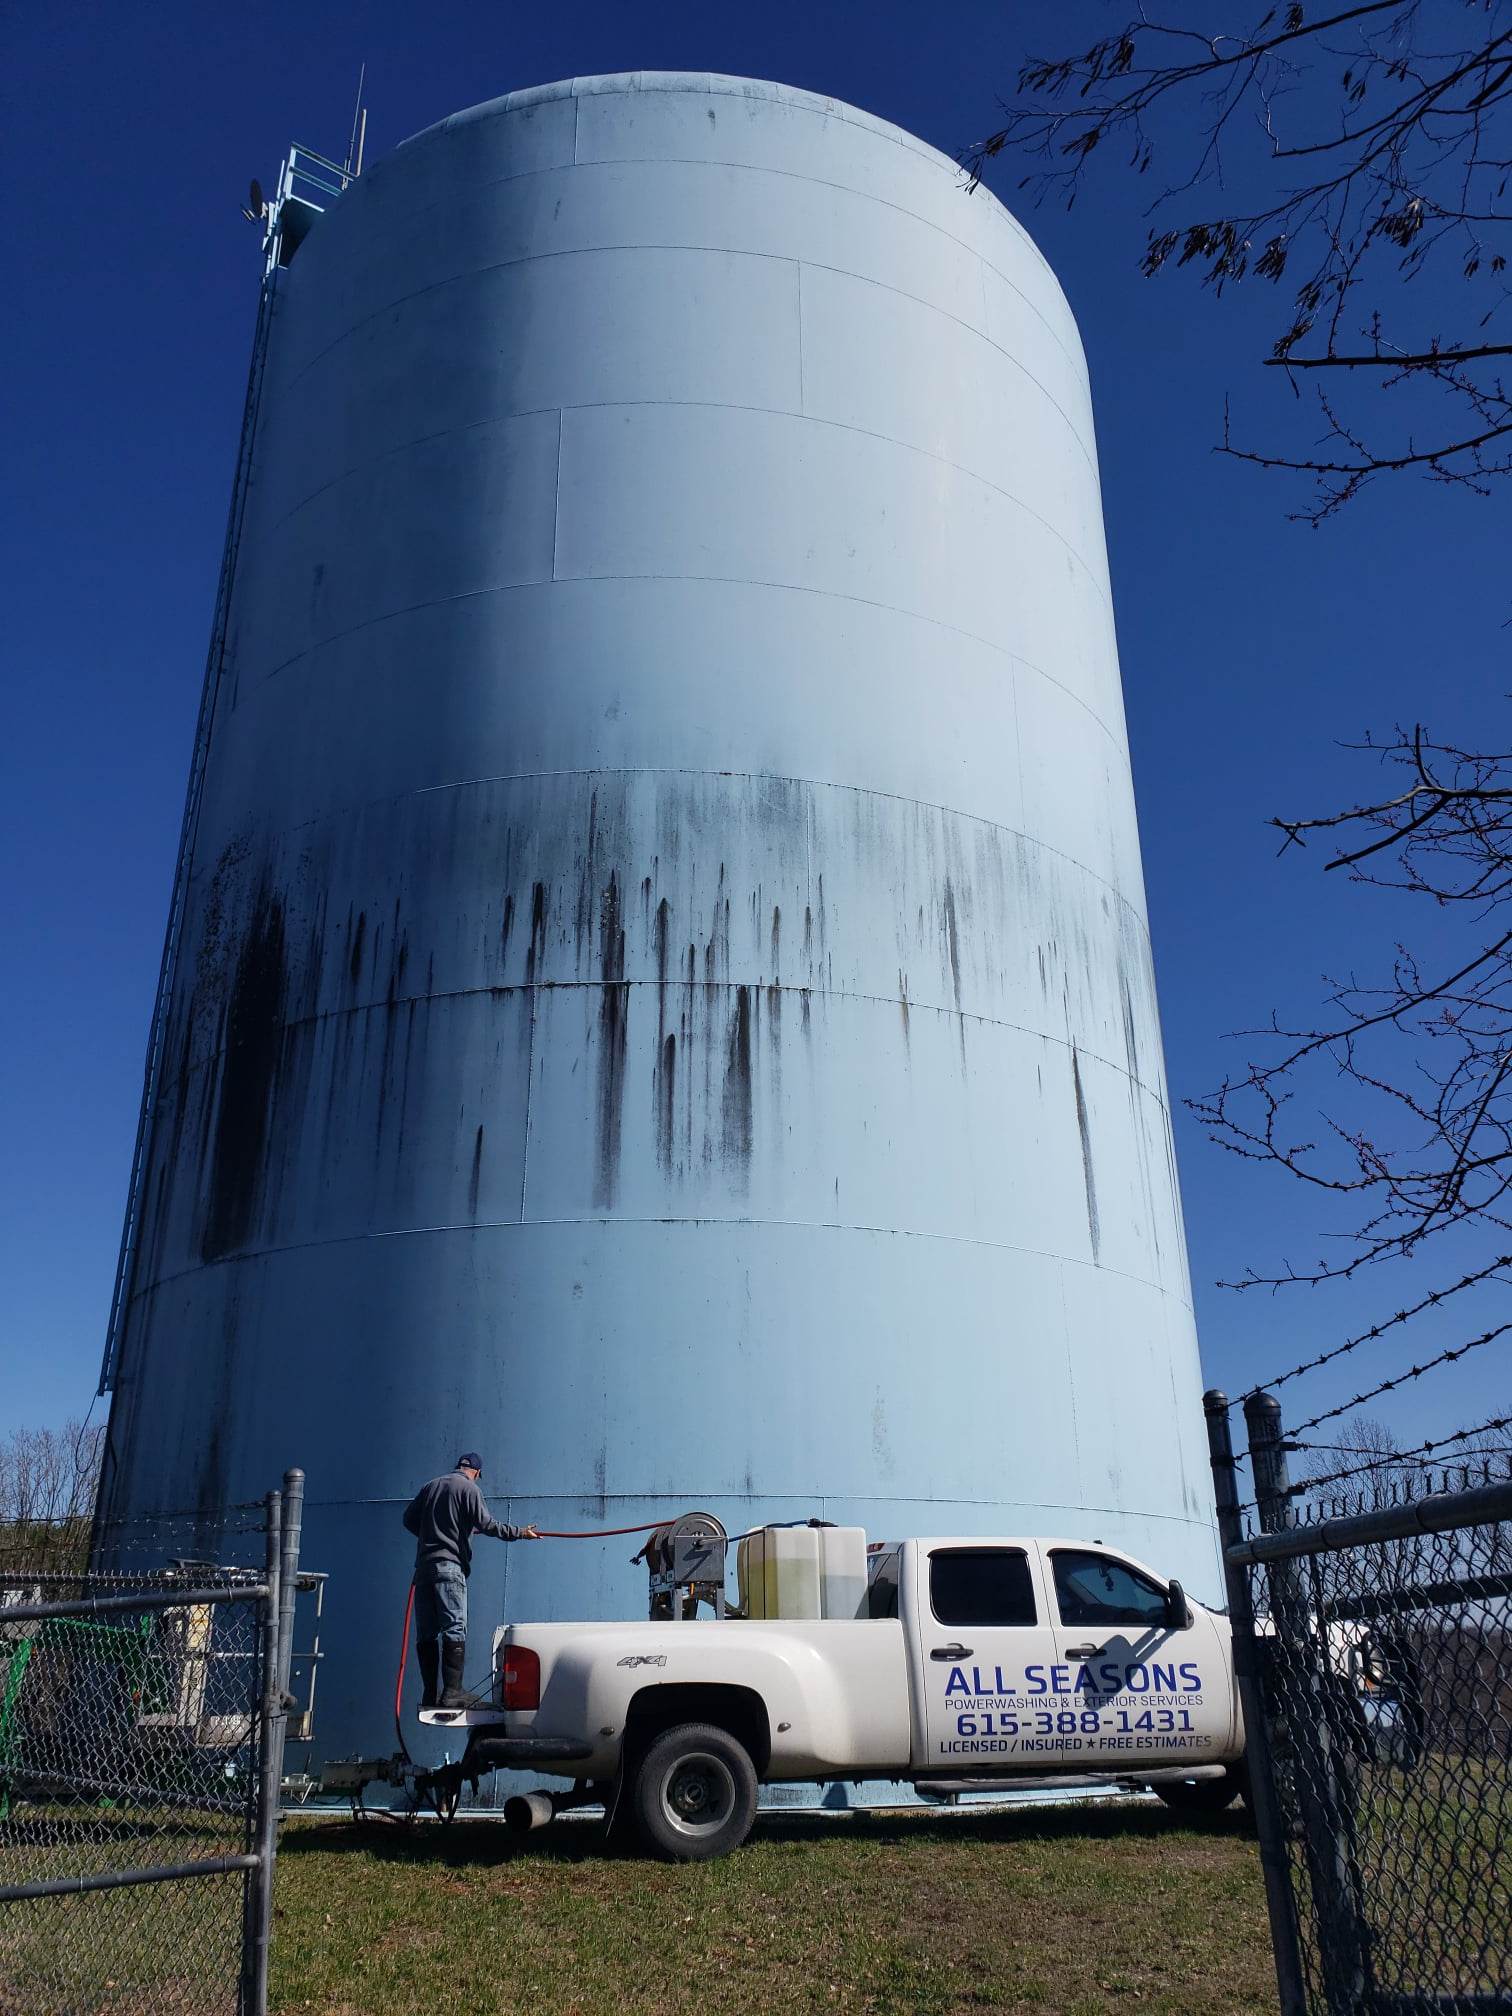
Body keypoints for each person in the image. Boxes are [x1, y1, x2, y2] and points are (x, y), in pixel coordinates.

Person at [403, 1453, 540, 1710]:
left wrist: (433, 1535)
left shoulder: (431, 1486)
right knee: (454, 1628)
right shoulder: (468, 1488)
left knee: (427, 1634)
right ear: (476, 1472)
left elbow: (408, 1520)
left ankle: (430, 1693)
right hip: (449, 1567)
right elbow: (487, 1525)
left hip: (423, 1570)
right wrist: (521, 1533)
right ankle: (452, 1692)